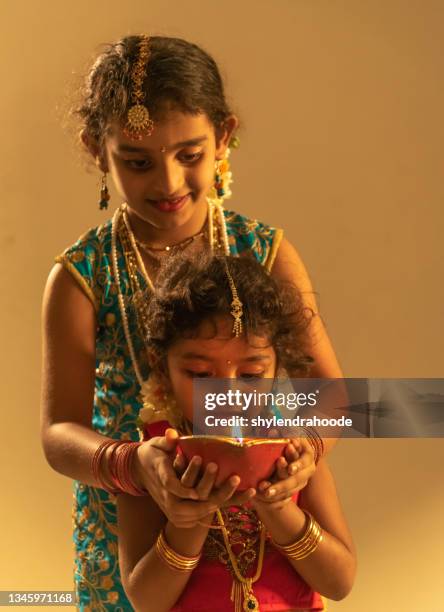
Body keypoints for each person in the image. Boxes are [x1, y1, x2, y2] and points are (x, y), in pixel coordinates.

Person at [40, 34, 344, 610]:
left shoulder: (266, 254)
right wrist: (133, 465)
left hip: (259, 517)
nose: (169, 183)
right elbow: (59, 434)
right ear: (94, 150)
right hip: (132, 526)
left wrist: (296, 454)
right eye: (137, 161)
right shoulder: (82, 276)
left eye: (190, 155)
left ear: (224, 137)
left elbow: (333, 398)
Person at [115, 254, 356, 611]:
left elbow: (339, 583)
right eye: (199, 373)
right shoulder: (155, 465)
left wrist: (277, 507)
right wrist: (190, 517)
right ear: (162, 369)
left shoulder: (295, 455)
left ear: (277, 370)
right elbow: (147, 601)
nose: (227, 395)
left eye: (250, 376)